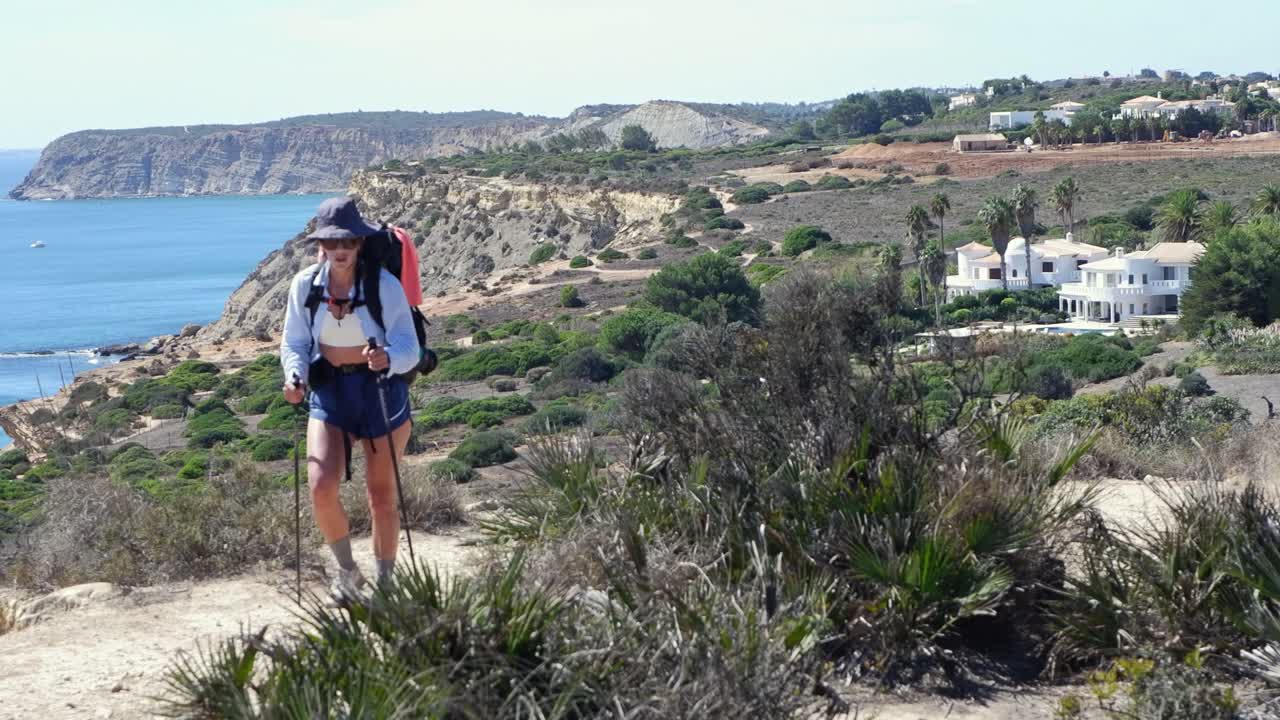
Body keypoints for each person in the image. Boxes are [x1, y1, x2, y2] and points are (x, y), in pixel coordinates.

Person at [279, 196, 418, 600]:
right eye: (332, 242)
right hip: (330, 391)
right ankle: (347, 571)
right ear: (320, 245)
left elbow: (409, 345)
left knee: (382, 496)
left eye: (349, 243)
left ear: (359, 243)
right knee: (321, 486)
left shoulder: (383, 286)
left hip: (380, 392)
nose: (340, 251)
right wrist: (295, 376)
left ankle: (387, 583)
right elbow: (295, 342)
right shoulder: (305, 286)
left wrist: (387, 357)